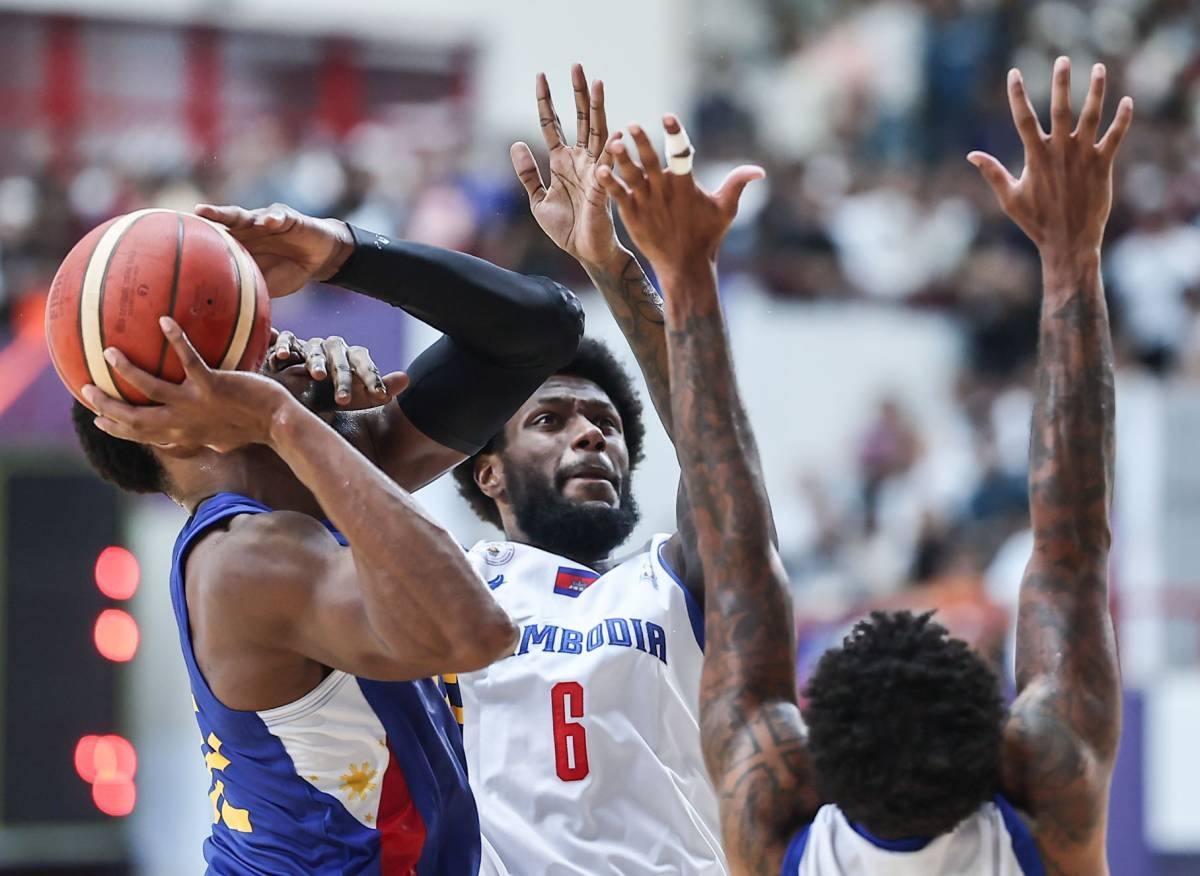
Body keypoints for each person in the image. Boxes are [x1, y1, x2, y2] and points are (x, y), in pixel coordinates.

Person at [603, 58, 1129, 876]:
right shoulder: (1048, 801)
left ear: (816, 765)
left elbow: (738, 565)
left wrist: (686, 277)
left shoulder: (769, 803)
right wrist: (1072, 254)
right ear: (1002, 751)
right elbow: (1070, 550)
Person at [70, 207, 584, 874]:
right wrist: (283, 419)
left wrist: (347, 253)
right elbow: (474, 633)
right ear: (169, 428)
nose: (277, 337)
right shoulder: (243, 561)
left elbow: (540, 331)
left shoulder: (323, 473)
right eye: (236, 339)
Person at [441, 65, 756, 874]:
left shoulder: (669, 581)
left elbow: (721, 461)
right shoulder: (444, 589)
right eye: (550, 421)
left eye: (606, 423)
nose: (591, 436)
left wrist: (618, 271)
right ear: (490, 473)